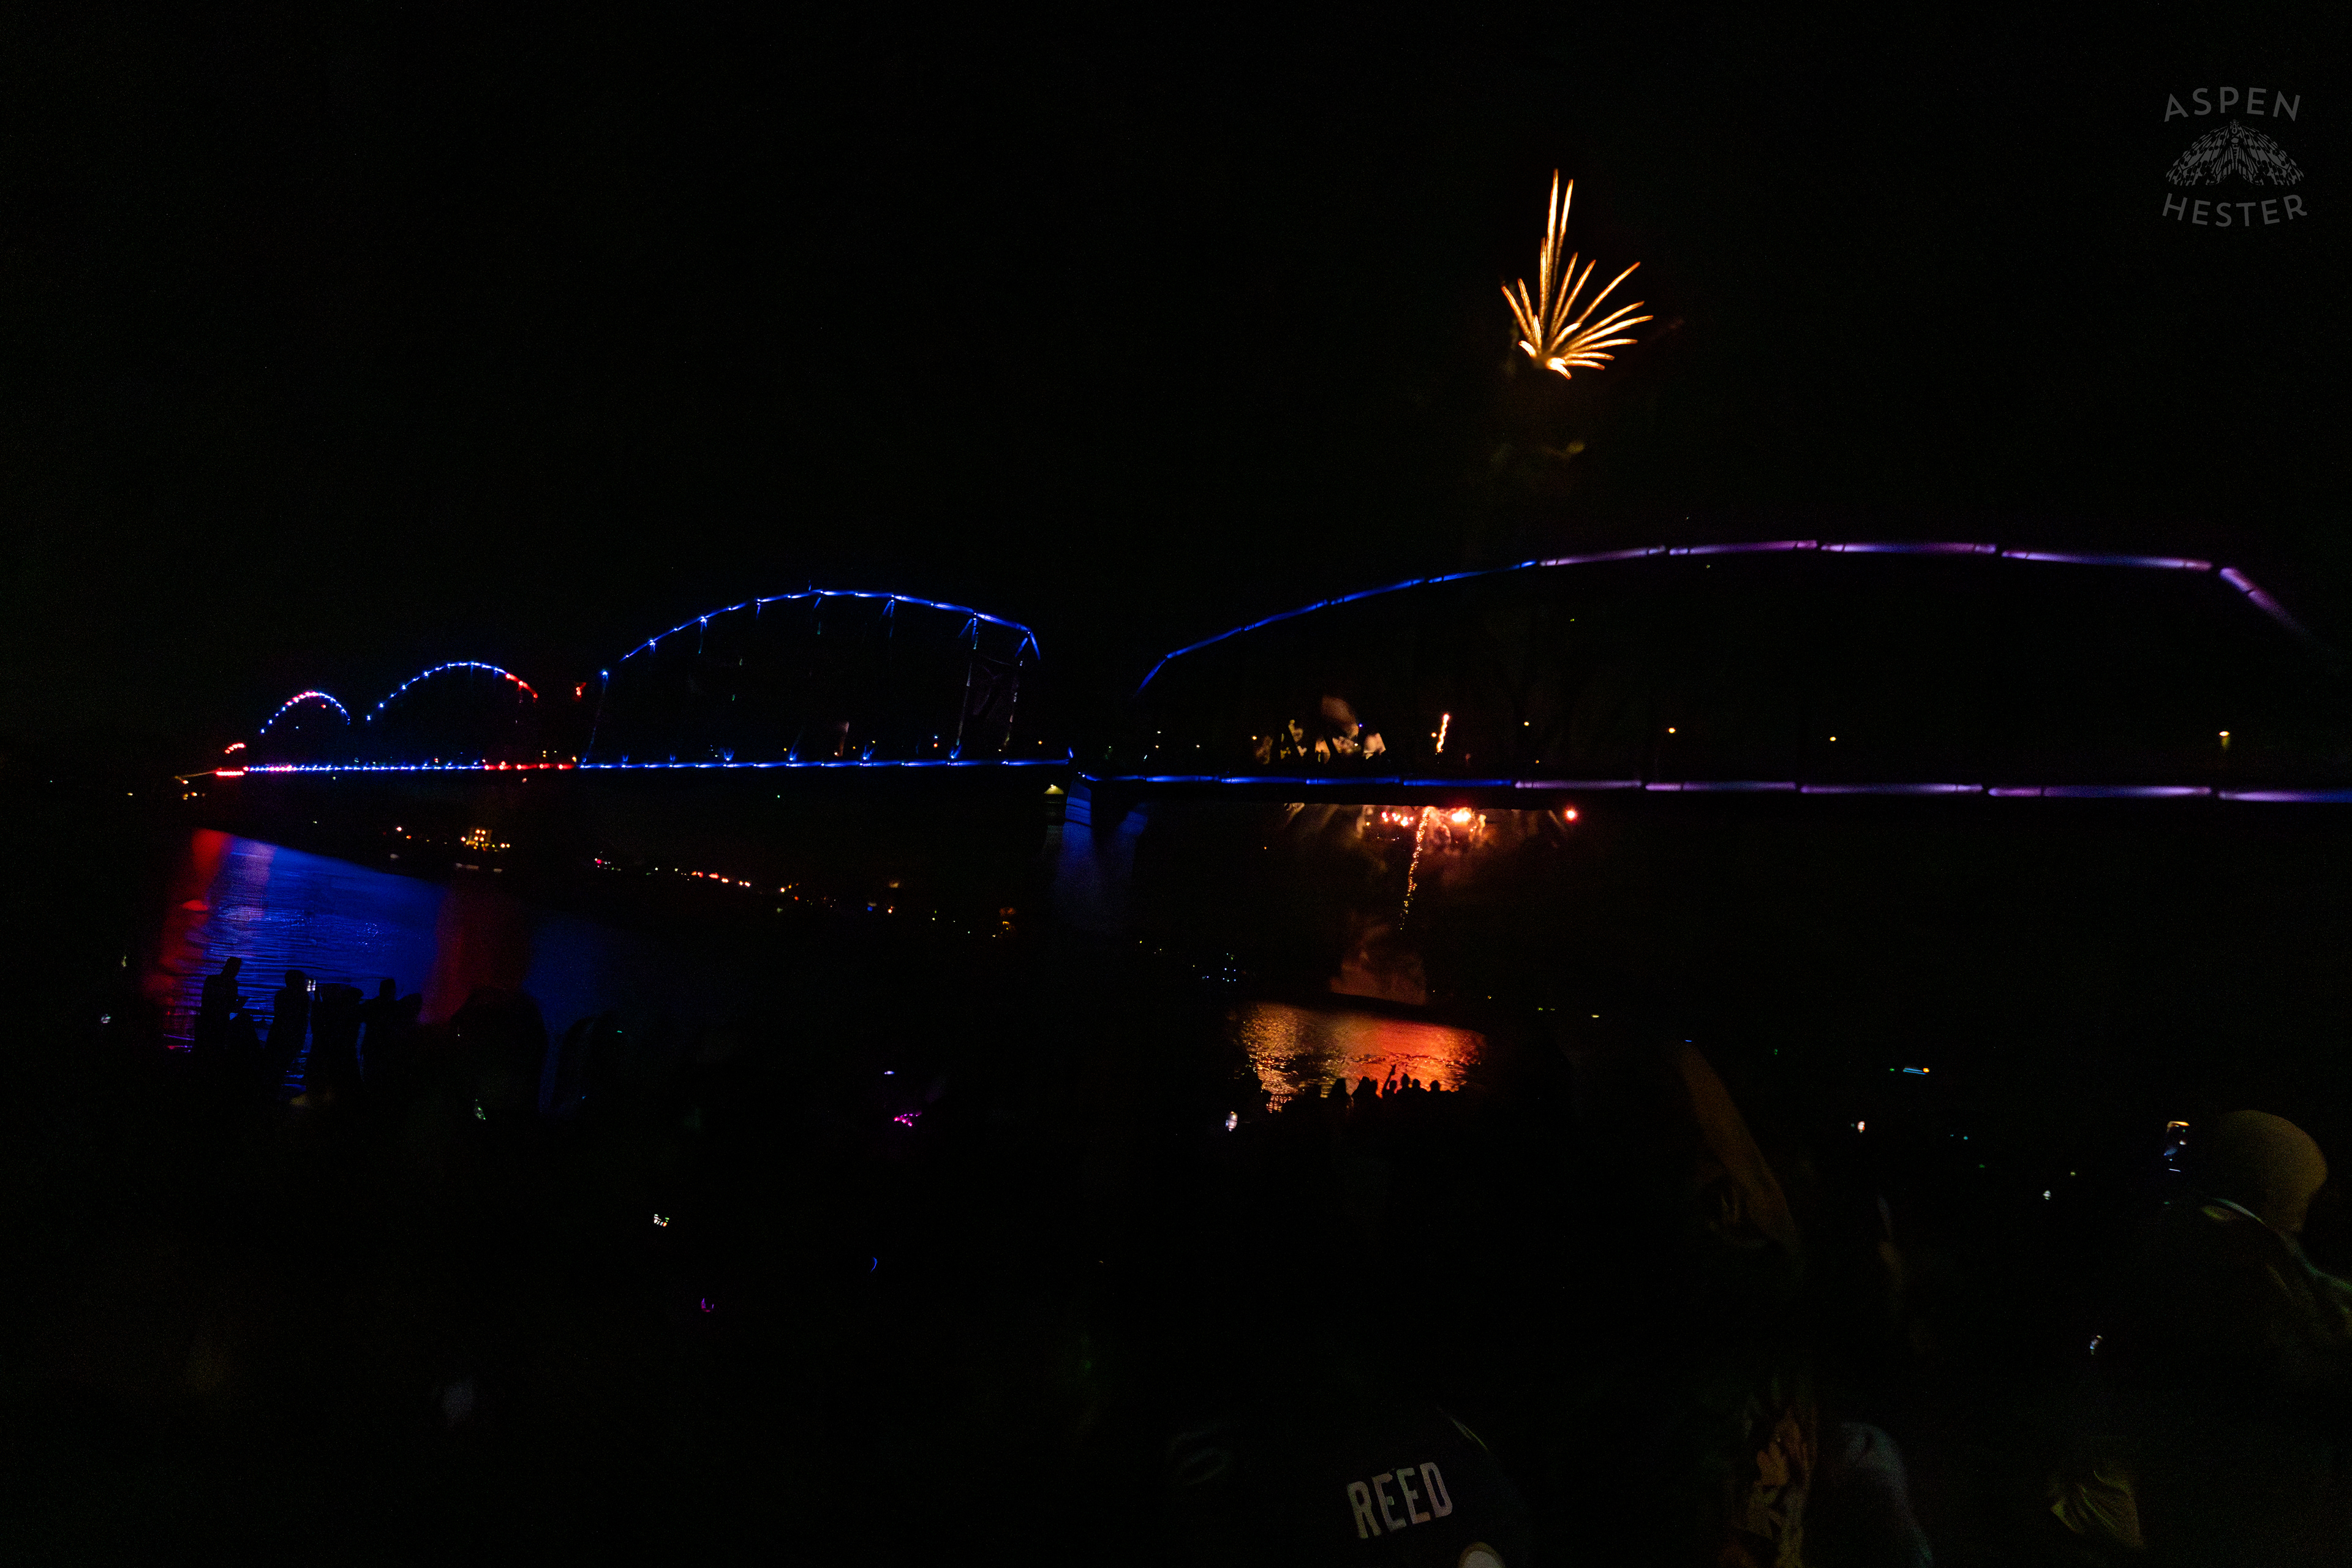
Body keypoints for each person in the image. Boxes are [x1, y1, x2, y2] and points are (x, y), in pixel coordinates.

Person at [266, 970, 311, 1091]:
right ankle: (273, 1089)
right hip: (292, 1034)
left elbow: (280, 1016)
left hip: (278, 1033)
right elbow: (303, 1019)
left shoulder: (281, 995)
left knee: (274, 1064)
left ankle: (270, 1089)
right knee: (282, 1063)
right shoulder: (303, 997)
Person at [195, 957, 243, 1052]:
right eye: (236, 969)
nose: (237, 972)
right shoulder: (227, 983)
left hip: (213, 1020)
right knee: (214, 1047)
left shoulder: (213, 980)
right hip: (213, 1020)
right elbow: (229, 1004)